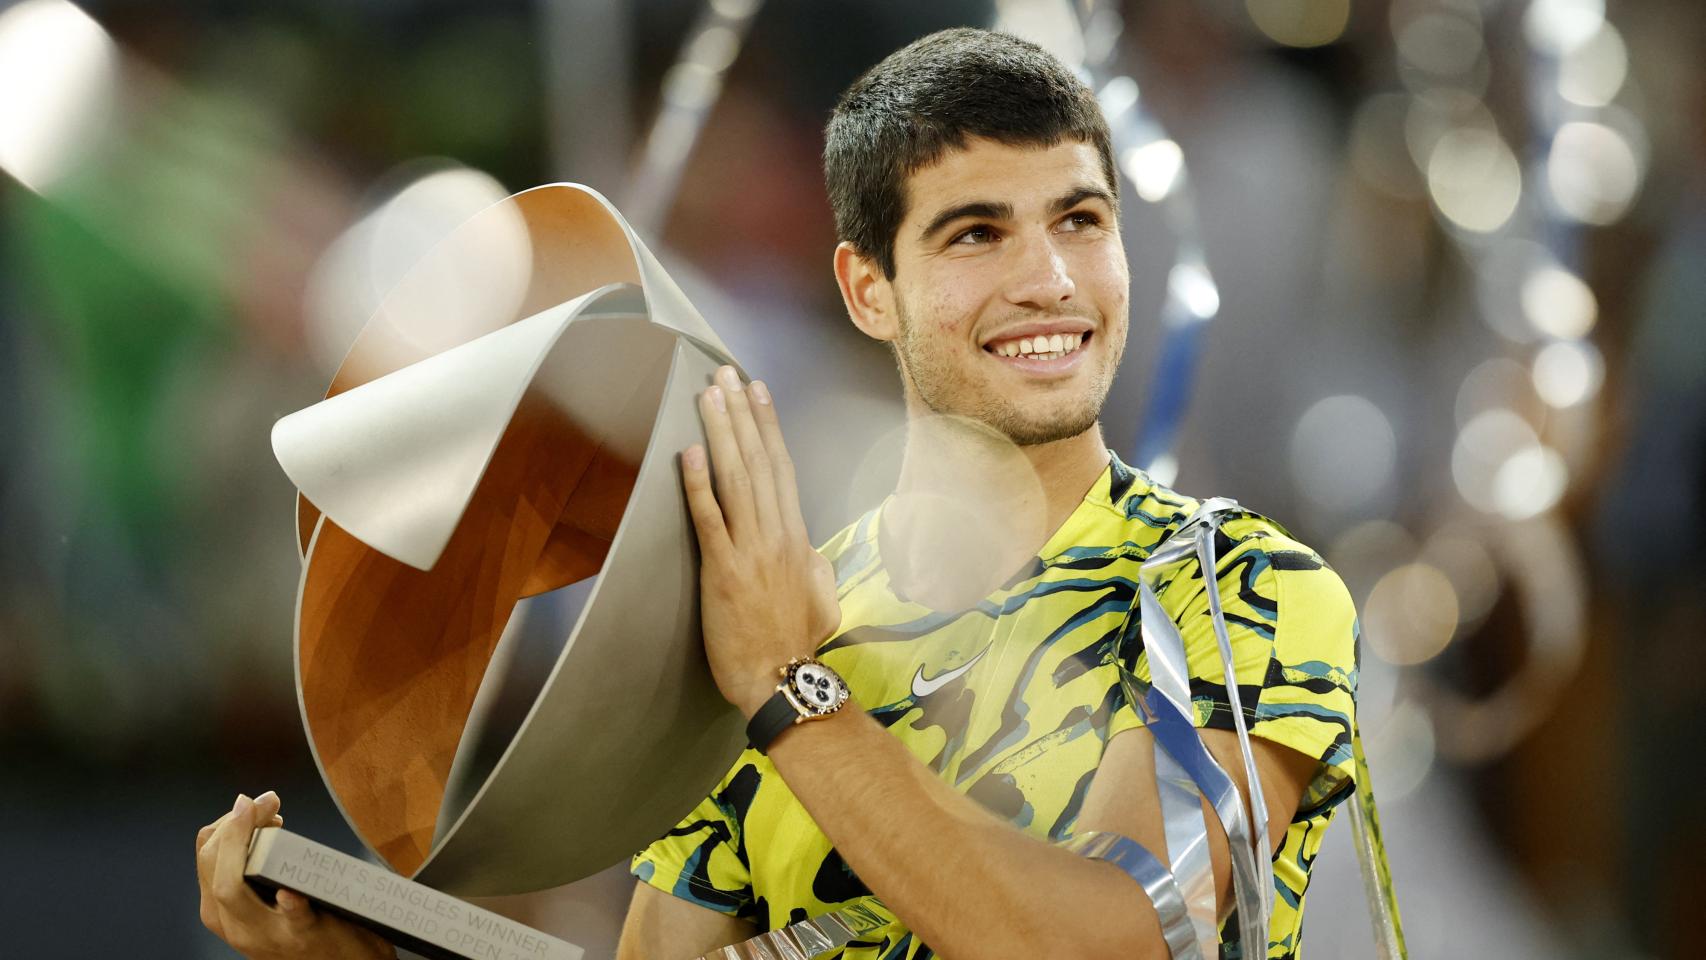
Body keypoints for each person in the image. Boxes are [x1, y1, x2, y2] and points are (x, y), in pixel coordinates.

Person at [196, 27, 1358, 960]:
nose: (1048, 279)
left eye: (1079, 221)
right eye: (974, 234)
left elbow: (1110, 941)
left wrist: (789, 692)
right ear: (866, 289)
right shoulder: (755, 612)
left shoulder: (1242, 587)